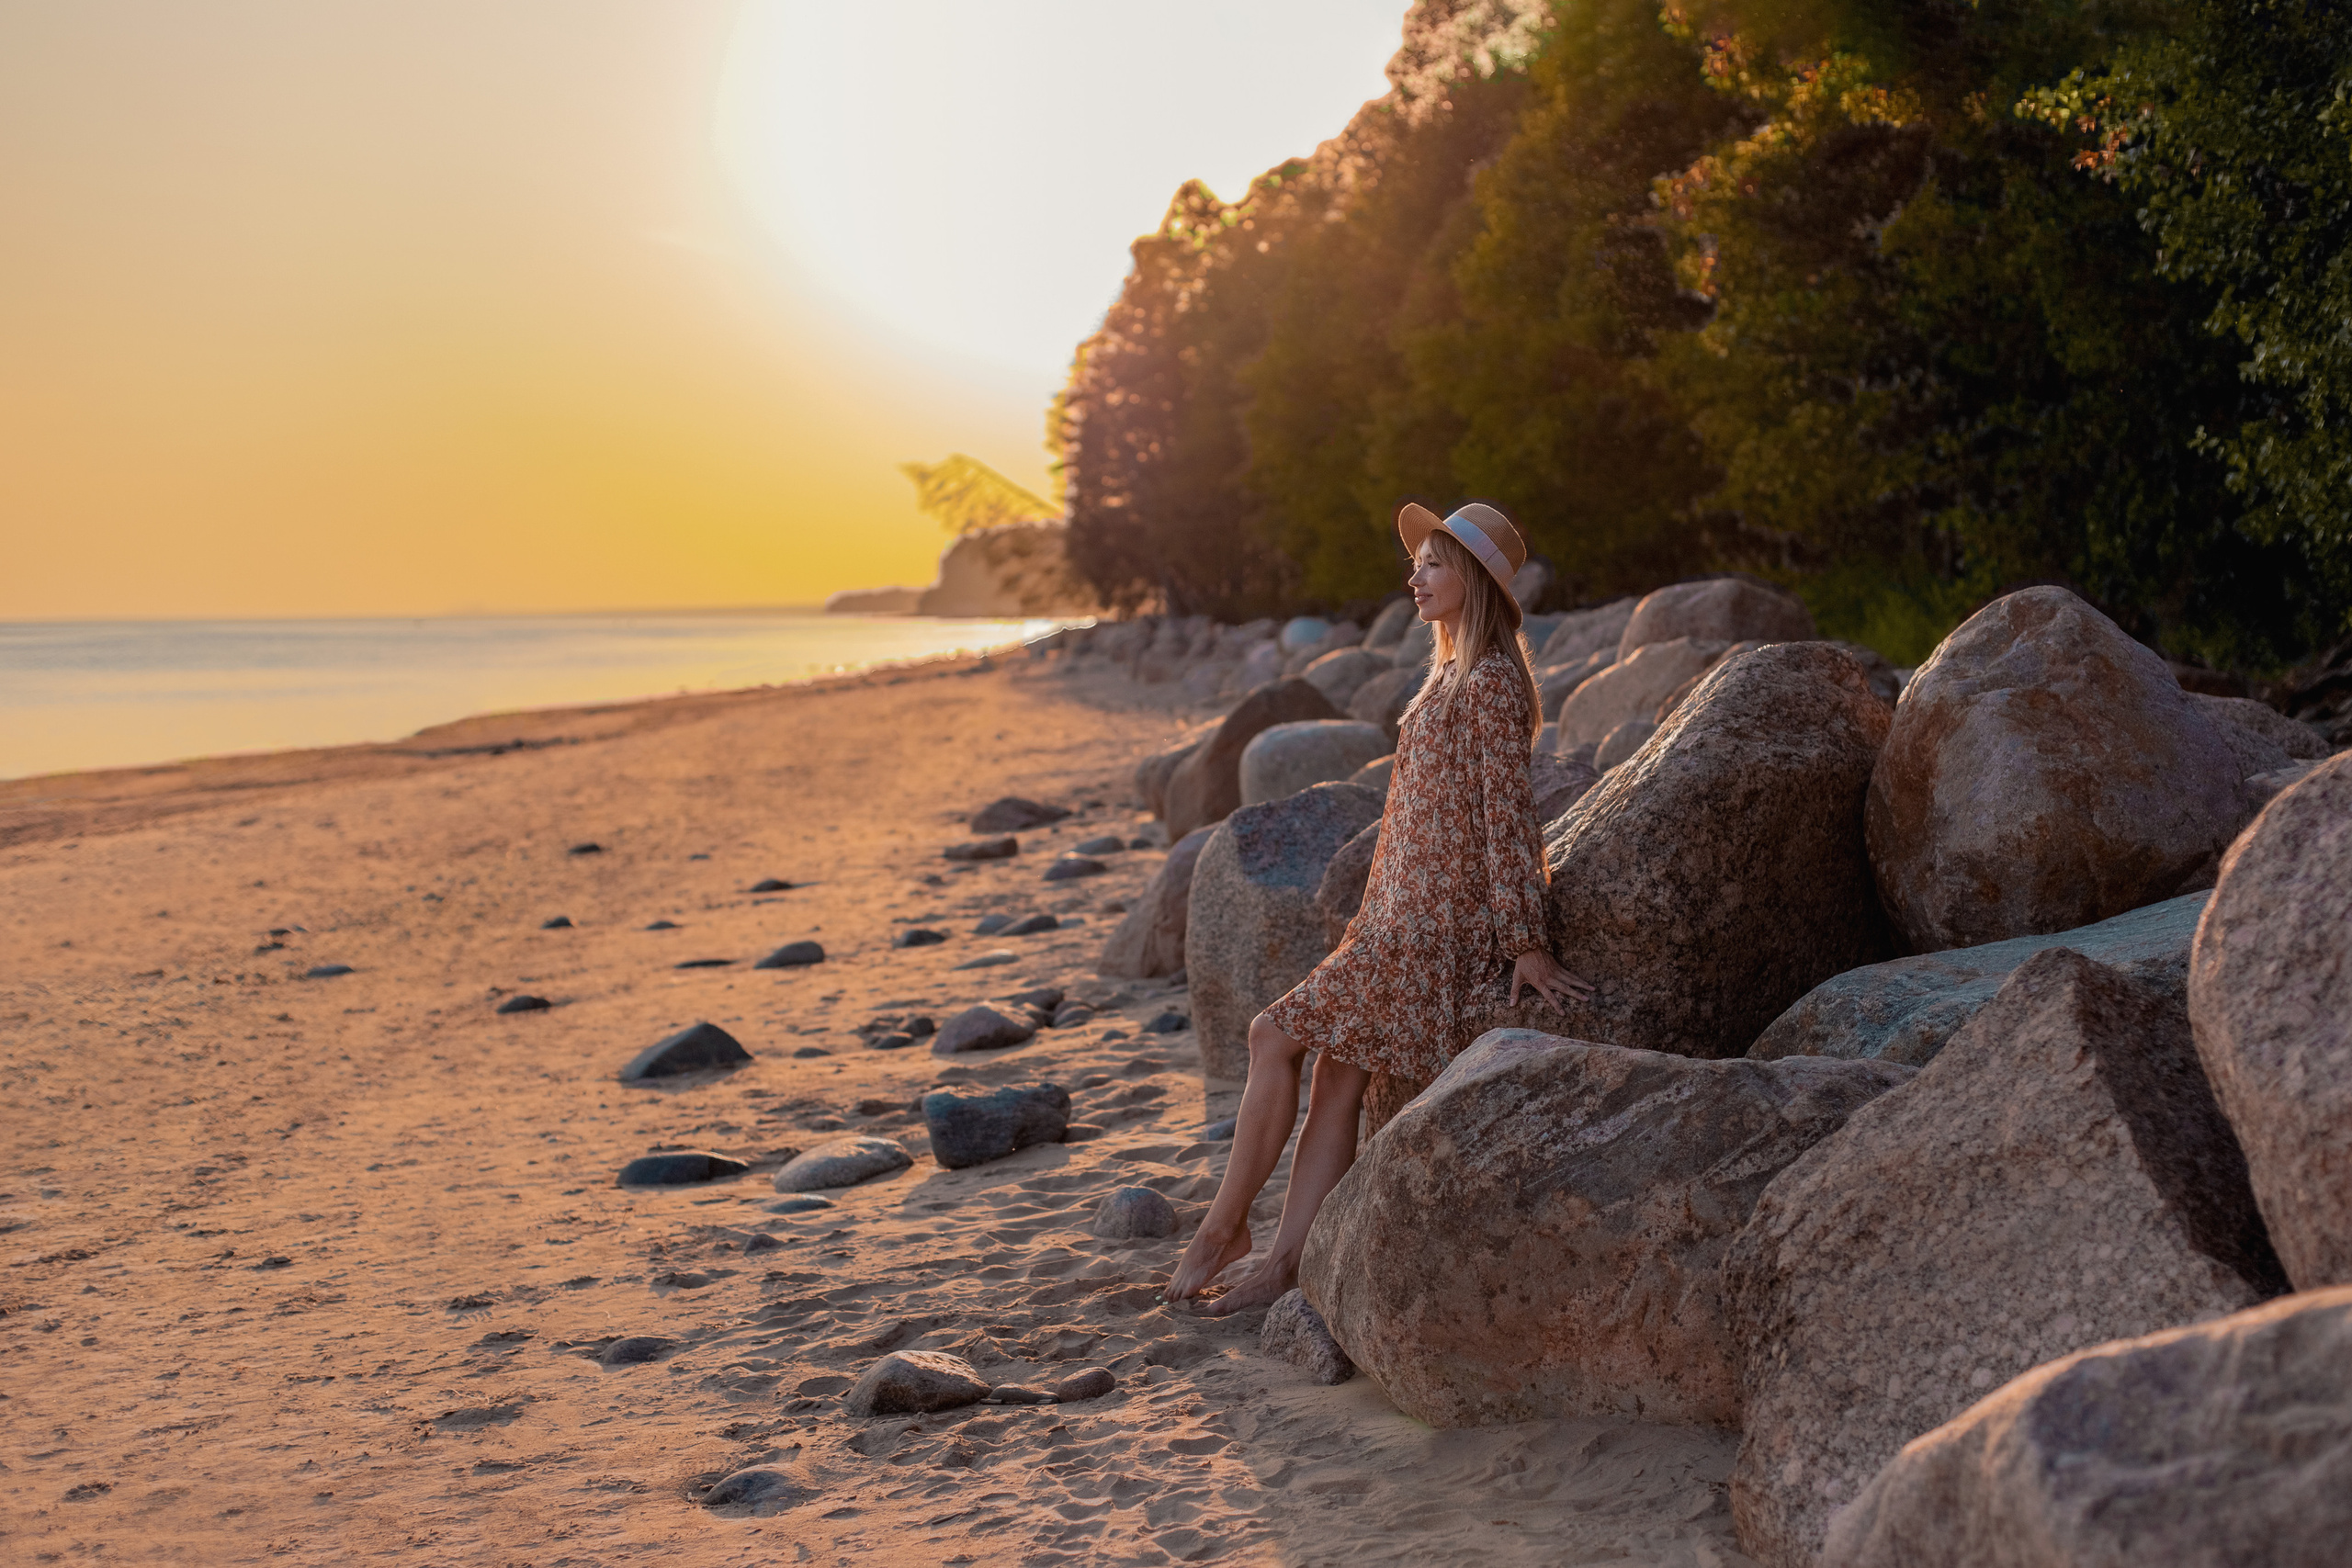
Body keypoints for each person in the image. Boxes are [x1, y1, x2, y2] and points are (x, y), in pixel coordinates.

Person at [1164, 501, 1593, 1313]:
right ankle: (1282, 1263)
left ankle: (1223, 1229)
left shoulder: (1491, 681)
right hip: (1395, 917)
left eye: (1434, 565)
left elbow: (1508, 815)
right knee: (1335, 1073)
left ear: (1473, 579)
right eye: (1418, 564)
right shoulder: (1447, 674)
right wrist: (1370, 917)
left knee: (1268, 1034)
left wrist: (1525, 940)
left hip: (1433, 927)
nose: (1415, 579)